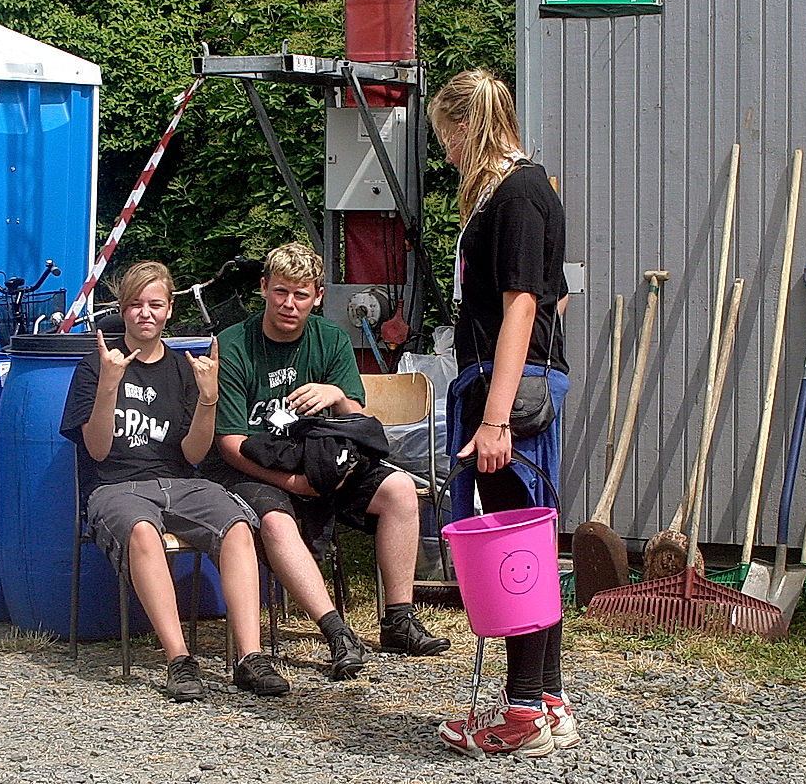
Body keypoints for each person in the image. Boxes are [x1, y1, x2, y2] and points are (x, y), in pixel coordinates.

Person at [204, 241, 450, 680]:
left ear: (317, 296)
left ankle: (398, 618)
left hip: (322, 457)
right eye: (280, 292)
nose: (288, 304)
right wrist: (293, 483)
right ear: (263, 288)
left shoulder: (331, 338)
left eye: (301, 294)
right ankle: (336, 631)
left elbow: (357, 423)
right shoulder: (233, 345)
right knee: (277, 522)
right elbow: (229, 443)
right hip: (256, 466)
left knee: (398, 490)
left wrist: (336, 394)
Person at [428, 69, 580, 756]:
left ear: (466, 126)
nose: (446, 153)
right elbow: (557, 295)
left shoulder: (517, 191)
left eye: (445, 137)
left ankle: (521, 717)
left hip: (506, 393)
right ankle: (546, 699)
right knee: (532, 550)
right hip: (508, 381)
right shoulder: (521, 191)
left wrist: (495, 418)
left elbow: (524, 302)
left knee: (512, 552)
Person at [60, 261, 289, 702]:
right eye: (135, 305)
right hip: (115, 487)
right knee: (143, 533)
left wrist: (208, 399)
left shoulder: (186, 369)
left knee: (238, 526)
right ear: (122, 310)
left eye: (155, 304)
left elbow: (194, 454)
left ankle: (250, 658)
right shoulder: (95, 367)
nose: (145, 313)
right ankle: (179, 660)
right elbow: (98, 450)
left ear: (168, 310)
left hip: (181, 482)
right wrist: (110, 386)